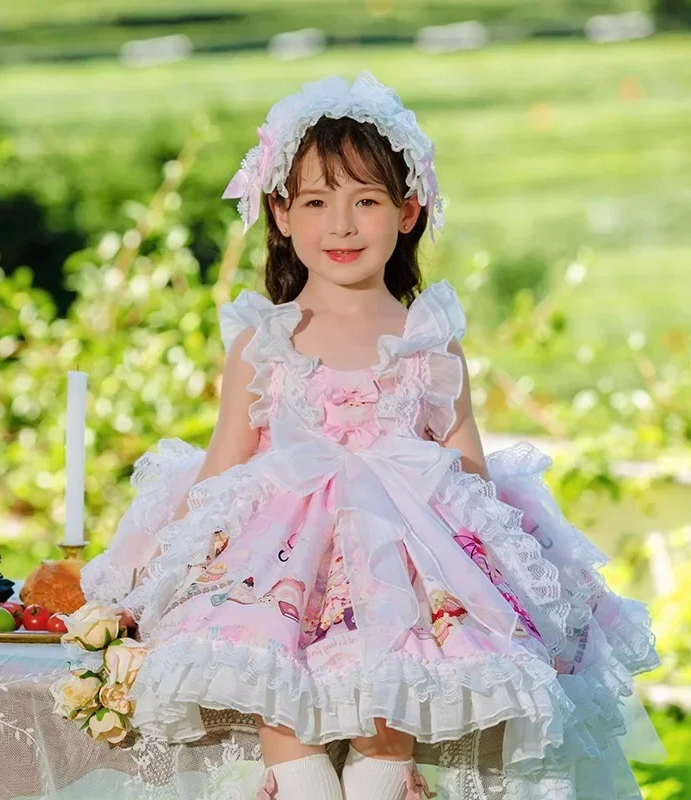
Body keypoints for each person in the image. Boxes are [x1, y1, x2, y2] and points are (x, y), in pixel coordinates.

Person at [81, 72, 662, 800]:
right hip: (284, 560)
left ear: (409, 210)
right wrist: (163, 569)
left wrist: (501, 569)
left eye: (366, 201)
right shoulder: (265, 343)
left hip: (404, 557)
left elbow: (464, 461)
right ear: (281, 214)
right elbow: (223, 467)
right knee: (282, 696)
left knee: (385, 719)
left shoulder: (428, 342)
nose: (343, 225)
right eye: (317, 202)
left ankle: (386, 772)